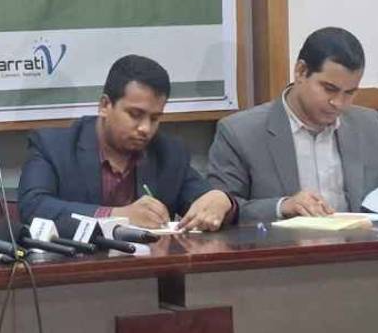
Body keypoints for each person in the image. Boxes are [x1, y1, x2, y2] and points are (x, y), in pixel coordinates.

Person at [18, 54, 236, 234]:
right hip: (75, 267)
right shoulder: (53, 146)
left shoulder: (169, 153)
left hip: (150, 270)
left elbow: (204, 201)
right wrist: (117, 216)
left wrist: (222, 202)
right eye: (135, 114)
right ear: (105, 106)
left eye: (155, 118)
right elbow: (33, 207)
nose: (145, 128)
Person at [208, 27, 378, 222]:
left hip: (359, 240)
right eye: (329, 89)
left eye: (349, 93)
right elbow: (222, 209)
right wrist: (282, 206)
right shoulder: (241, 132)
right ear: (300, 71)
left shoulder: (367, 124)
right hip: (281, 241)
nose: (338, 103)